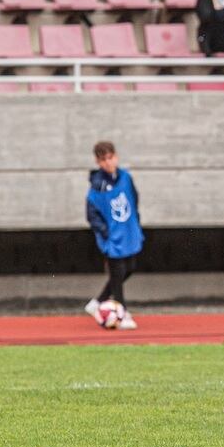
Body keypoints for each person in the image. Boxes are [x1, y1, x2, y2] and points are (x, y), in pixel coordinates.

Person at [84, 140, 142, 331]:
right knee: (117, 274)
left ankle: (98, 301)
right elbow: (92, 215)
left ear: (115, 157)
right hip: (112, 237)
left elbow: (134, 198)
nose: (108, 163)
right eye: (103, 160)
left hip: (128, 231)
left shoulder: (125, 177)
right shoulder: (97, 188)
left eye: (111, 158)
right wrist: (105, 232)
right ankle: (121, 312)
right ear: (98, 162)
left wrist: (135, 222)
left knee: (130, 268)